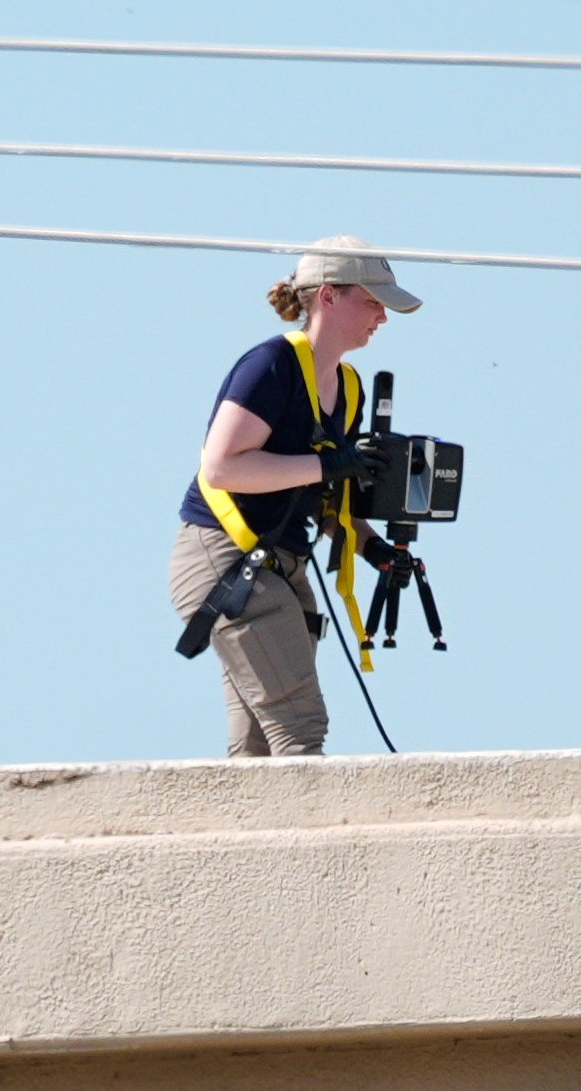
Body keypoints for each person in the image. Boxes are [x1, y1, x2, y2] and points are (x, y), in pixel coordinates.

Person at [170, 237, 420, 757]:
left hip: (276, 565)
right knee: (299, 726)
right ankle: (320, 839)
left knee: (258, 745)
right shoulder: (272, 366)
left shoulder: (348, 387)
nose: (383, 318)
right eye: (373, 302)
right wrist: (327, 463)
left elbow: (318, 499)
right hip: (227, 557)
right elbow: (222, 467)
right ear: (328, 296)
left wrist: (371, 549)